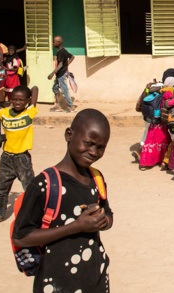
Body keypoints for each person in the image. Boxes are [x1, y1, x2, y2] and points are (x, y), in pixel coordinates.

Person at [12, 109, 113, 293]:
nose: (93, 152)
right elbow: (21, 237)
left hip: (95, 276)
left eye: (101, 147)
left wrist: (101, 220)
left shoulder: (96, 179)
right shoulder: (44, 184)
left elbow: (108, 215)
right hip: (57, 282)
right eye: (88, 143)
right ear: (69, 135)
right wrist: (76, 226)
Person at [0, 85, 38, 227]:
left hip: (22, 159)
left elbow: (35, 89)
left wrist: (31, 95)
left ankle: (36, 216)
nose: (17, 102)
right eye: (14, 99)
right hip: (6, 158)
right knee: (1, 189)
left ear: (27, 101)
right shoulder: (4, 113)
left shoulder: (30, 112)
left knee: (31, 189)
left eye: (21, 100)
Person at [138, 77, 173, 170]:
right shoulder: (168, 92)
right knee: (163, 140)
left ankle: (145, 162)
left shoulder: (156, 90)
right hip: (162, 122)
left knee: (150, 140)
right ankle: (162, 161)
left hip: (153, 122)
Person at [48, 36, 76, 113]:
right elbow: (72, 57)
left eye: (54, 41)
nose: (53, 43)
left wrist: (52, 73)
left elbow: (60, 65)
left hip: (61, 74)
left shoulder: (61, 52)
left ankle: (71, 106)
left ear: (59, 43)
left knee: (64, 90)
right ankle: (58, 106)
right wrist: (66, 65)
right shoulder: (63, 51)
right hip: (59, 74)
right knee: (55, 88)